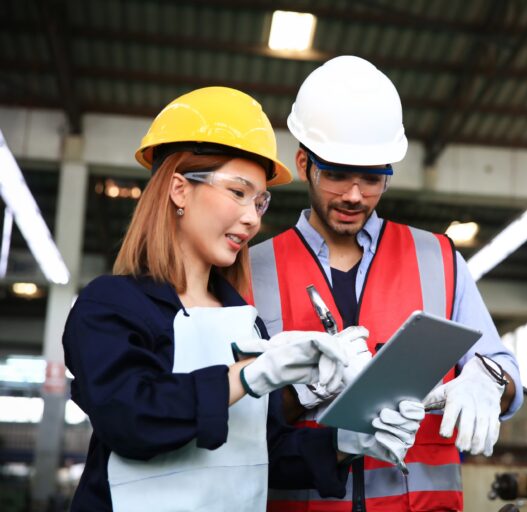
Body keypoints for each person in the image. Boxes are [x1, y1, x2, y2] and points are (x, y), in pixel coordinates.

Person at [62, 86, 424, 511]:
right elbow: (129, 417)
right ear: (179, 189)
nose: (252, 219)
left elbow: (262, 453)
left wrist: (349, 441)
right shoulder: (111, 306)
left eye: (260, 200)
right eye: (237, 192)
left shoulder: (242, 320)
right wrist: (249, 376)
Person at [250, 57, 524, 512]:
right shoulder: (252, 268)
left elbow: (507, 371)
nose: (355, 195)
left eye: (373, 178)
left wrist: (489, 380)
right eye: (337, 174)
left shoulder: (437, 258)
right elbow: (235, 414)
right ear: (304, 164)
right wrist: (300, 392)